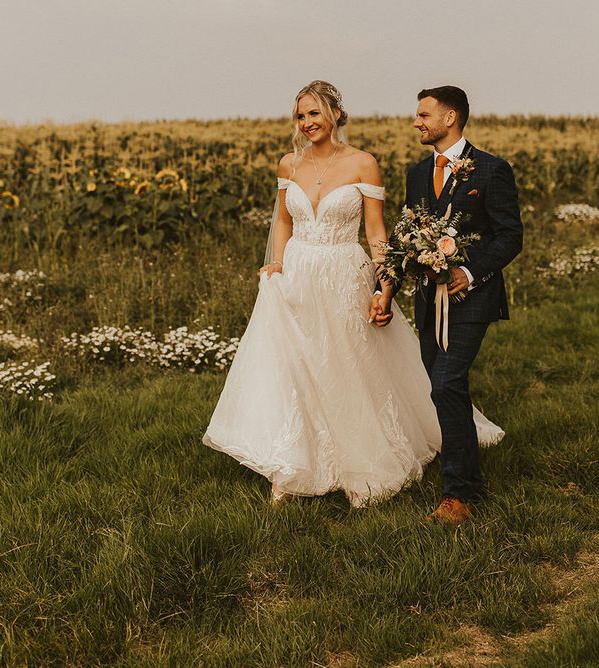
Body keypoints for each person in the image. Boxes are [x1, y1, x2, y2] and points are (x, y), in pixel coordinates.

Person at [202, 80, 503, 509]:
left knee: (345, 365)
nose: (307, 123)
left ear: (336, 114)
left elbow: (376, 232)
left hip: (344, 271)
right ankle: (292, 463)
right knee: (296, 365)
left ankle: (358, 457)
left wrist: (385, 285)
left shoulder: (363, 164)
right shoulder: (289, 164)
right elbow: (284, 222)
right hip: (299, 273)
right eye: (301, 115)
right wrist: (278, 262)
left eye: (315, 113)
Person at [395, 85, 523, 524]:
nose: (416, 122)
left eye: (423, 114)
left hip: (473, 297)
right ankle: (464, 470)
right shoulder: (415, 174)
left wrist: (468, 273)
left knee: (447, 383)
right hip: (428, 301)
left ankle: (460, 496)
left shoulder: (490, 170)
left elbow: (510, 236)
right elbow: (406, 238)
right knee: (443, 385)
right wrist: (389, 286)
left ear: (450, 118)